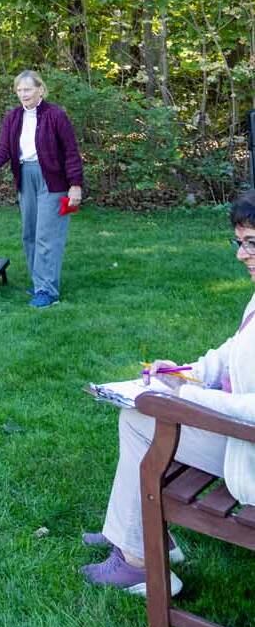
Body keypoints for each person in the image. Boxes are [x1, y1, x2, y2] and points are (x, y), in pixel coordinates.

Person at [82, 190, 255, 596]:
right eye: (240, 242)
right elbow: (231, 354)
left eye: (252, 243)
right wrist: (183, 373)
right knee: (144, 414)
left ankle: (140, 561)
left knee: (142, 418)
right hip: (242, 440)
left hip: (250, 454)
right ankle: (139, 538)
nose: (241, 254)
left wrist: (186, 398)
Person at [0, 70, 84, 307]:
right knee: (30, 234)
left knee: (47, 235)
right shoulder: (13, 117)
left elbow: (72, 153)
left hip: (53, 181)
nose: (24, 94)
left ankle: (48, 291)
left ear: (40, 90)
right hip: (25, 177)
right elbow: (3, 149)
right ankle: (38, 282)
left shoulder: (56, 116)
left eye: (28, 89)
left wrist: (75, 185)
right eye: (20, 90)